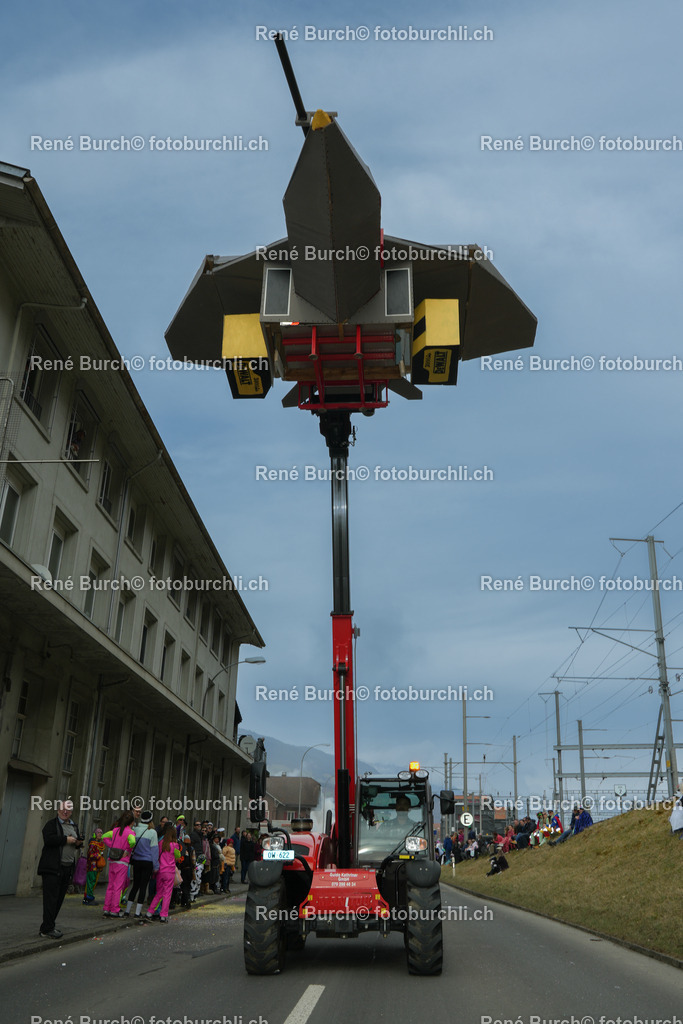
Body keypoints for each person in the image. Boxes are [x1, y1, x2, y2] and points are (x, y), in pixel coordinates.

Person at [38, 799, 84, 938]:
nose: (65, 812)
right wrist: (65, 839)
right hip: (52, 868)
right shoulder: (51, 824)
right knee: (50, 899)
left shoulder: (74, 826)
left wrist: (77, 843)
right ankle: (46, 929)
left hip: (67, 868)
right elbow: (49, 840)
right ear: (58, 810)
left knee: (58, 899)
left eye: (68, 810)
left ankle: (49, 926)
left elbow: (74, 844)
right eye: (63, 809)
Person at [102, 811, 137, 917]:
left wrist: (112, 845)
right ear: (131, 822)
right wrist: (127, 850)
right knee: (118, 886)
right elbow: (133, 842)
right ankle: (115, 909)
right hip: (122, 861)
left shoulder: (115, 830)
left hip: (112, 859)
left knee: (111, 885)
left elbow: (104, 836)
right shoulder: (130, 833)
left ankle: (106, 908)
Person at [125, 810, 159, 920]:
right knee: (143, 886)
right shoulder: (152, 832)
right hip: (148, 862)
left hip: (136, 861)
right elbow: (154, 851)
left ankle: (127, 910)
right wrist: (156, 866)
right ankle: (137, 912)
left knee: (135, 885)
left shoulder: (135, 829)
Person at [146, 823, 182, 923]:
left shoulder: (161, 843)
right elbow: (178, 858)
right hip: (170, 872)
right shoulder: (175, 845)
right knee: (167, 894)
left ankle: (150, 912)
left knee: (159, 893)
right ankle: (163, 915)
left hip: (160, 871)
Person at [83, 827, 105, 905]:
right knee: (90, 882)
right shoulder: (92, 844)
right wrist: (98, 856)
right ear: (95, 834)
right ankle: (89, 898)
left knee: (93, 882)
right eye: (98, 832)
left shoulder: (100, 844)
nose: (100, 834)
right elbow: (90, 854)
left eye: (101, 832)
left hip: (97, 867)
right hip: (92, 866)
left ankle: (88, 897)